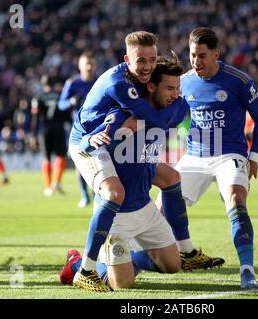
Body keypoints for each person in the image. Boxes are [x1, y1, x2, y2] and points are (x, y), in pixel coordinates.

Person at [67, 31, 223, 291]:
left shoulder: (151, 87)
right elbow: (157, 117)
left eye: (152, 60)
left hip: (133, 179)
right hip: (89, 141)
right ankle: (83, 267)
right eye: (141, 61)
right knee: (114, 193)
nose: (148, 66)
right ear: (127, 59)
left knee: (172, 178)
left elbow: (177, 109)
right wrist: (124, 126)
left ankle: (185, 251)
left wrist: (149, 116)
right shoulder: (120, 92)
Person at [61, 56, 187, 291]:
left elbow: (183, 108)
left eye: (177, 89)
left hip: (145, 208)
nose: (176, 94)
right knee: (123, 286)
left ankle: (128, 258)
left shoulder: (174, 108)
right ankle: (77, 264)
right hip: (117, 215)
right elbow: (87, 143)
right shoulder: (122, 116)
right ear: (151, 87)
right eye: (170, 88)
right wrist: (91, 139)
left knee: (173, 265)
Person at [163, 27, 258, 289]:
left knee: (236, 199)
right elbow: (170, 112)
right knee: (160, 212)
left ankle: (247, 270)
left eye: (202, 55)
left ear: (216, 54)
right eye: (192, 55)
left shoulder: (238, 80)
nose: (196, 61)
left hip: (229, 154)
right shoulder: (184, 81)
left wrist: (254, 155)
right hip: (195, 156)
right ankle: (138, 264)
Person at [58, 51, 97, 208]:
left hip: (98, 129)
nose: (88, 66)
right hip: (79, 131)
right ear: (79, 66)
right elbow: (61, 104)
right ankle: (84, 196)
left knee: (99, 162)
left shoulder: (100, 81)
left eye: (91, 63)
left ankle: (97, 195)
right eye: (85, 63)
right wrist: (72, 102)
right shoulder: (72, 83)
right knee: (80, 164)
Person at [30, 75, 71, 196]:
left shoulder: (38, 98)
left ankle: (48, 186)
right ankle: (57, 182)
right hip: (59, 128)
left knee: (46, 158)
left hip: (45, 130)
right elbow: (66, 115)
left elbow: (35, 117)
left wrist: (33, 134)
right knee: (61, 156)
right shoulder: (60, 96)